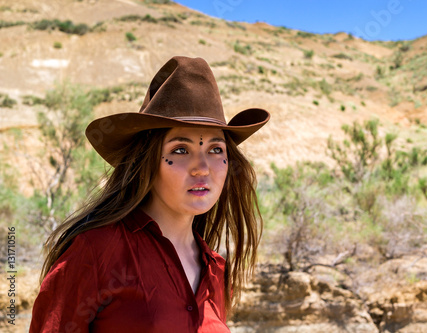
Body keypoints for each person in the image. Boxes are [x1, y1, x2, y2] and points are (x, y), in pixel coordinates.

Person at [29, 56, 270, 332]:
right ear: (147, 161)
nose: (202, 168)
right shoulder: (96, 252)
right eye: (180, 149)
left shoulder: (214, 269)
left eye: (216, 150)